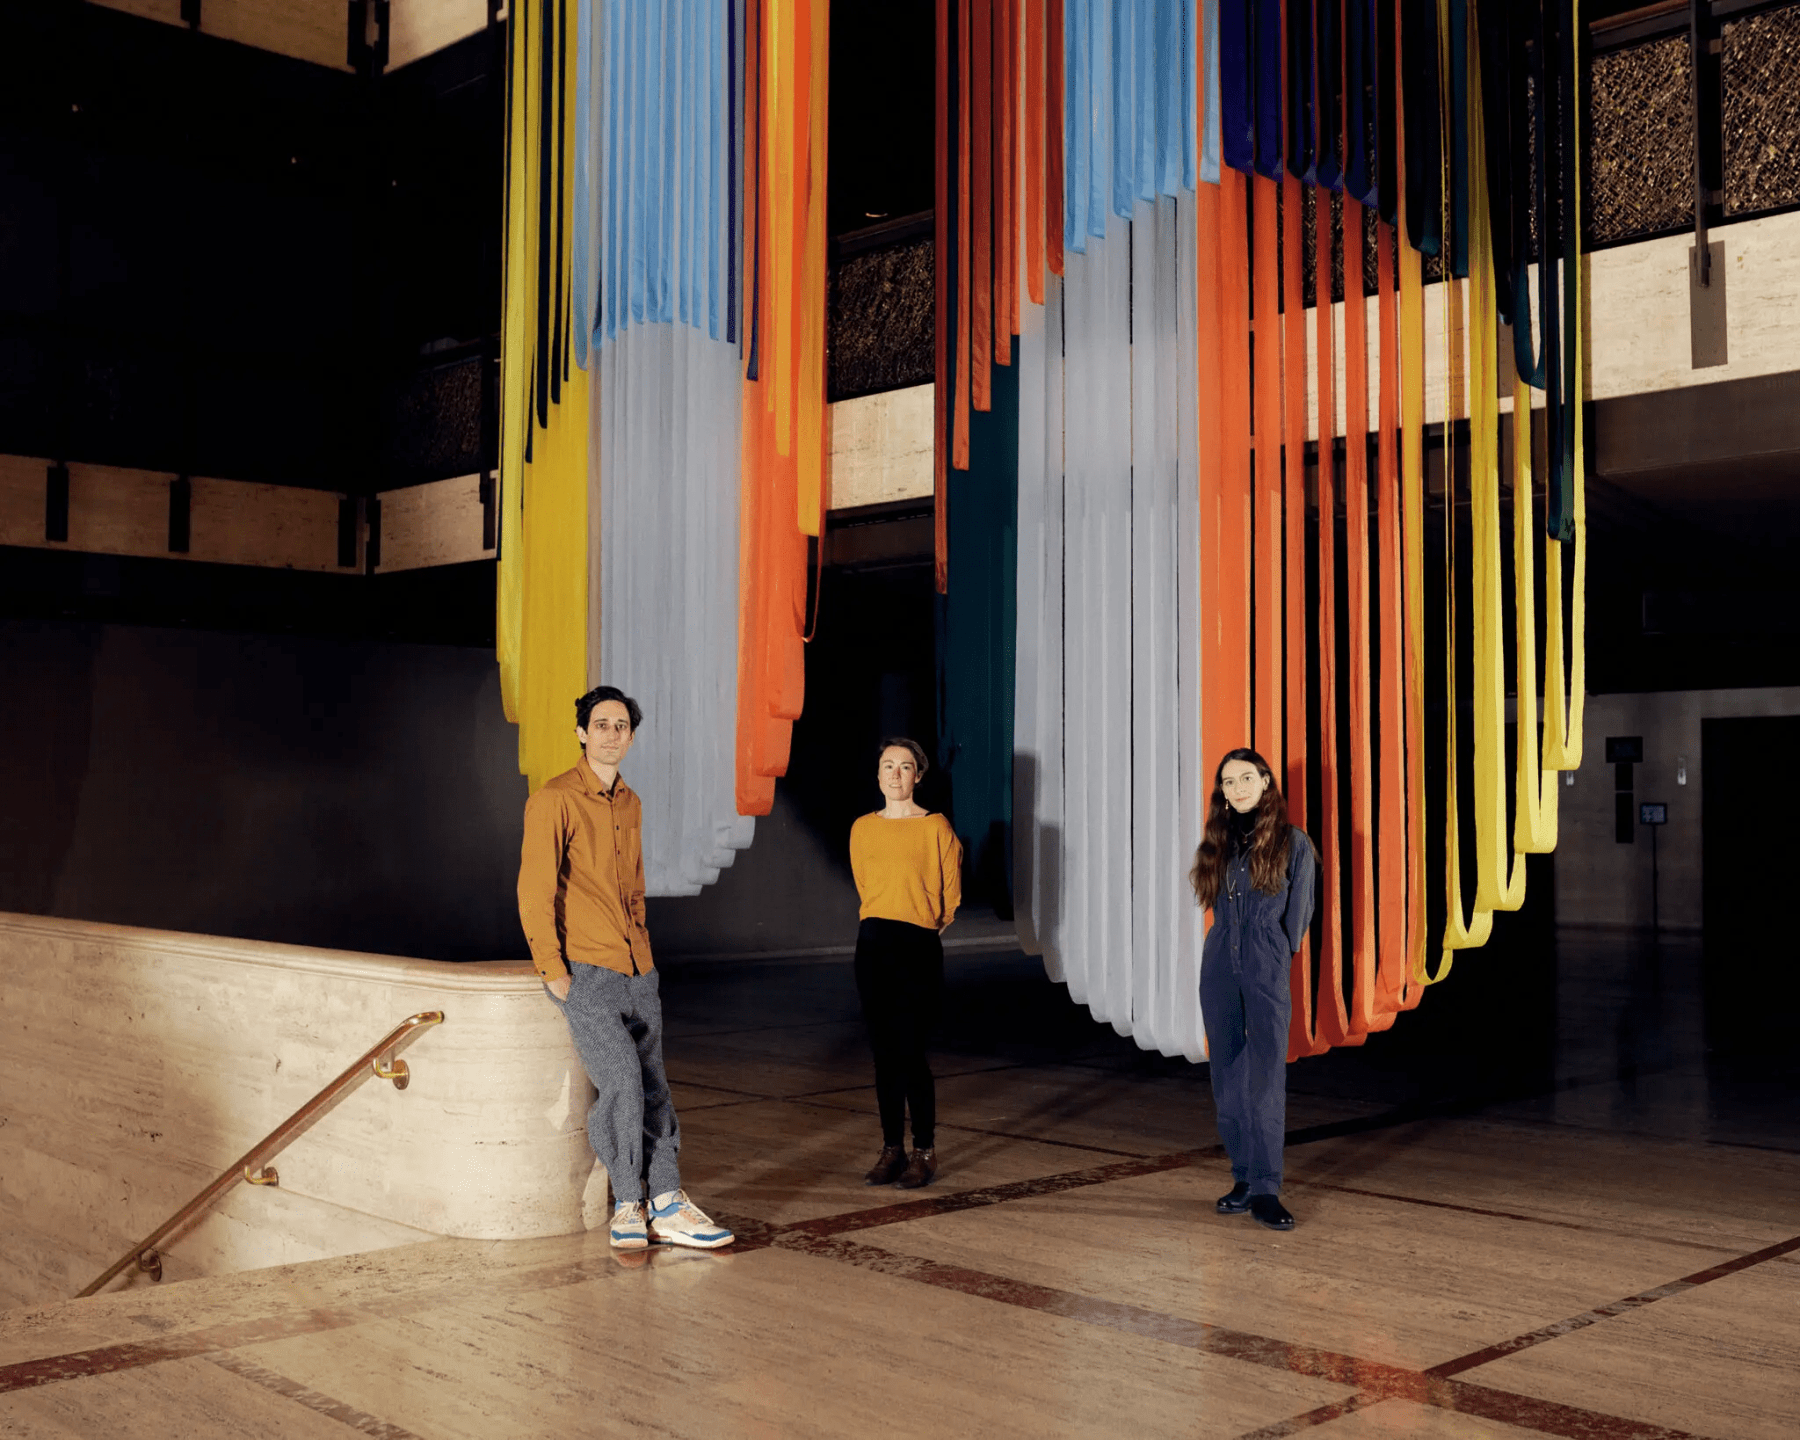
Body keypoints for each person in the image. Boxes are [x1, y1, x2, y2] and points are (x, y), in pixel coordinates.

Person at [517, 684, 733, 1252]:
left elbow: (632, 890)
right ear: (582, 732)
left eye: (622, 726)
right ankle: (627, 1204)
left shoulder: (630, 802)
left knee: (655, 1086)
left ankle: (667, 1202)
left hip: (639, 969)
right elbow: (534, 891)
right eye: (602, 724)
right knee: (622, 1085)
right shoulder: (555, 799)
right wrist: (553, 972)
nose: (613, 734)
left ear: (630, 737)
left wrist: (646, 960)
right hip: (586, 972)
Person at [1191, 748, 1317, 1232]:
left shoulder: (1293, 843)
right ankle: (1241, 1177)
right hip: (1220, 960)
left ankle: (1266, 1188)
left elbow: (1298, 919)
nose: (1238, 787)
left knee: (1266, 1077)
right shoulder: (1217, 842)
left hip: (1265, 963)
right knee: (1227, 1075)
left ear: (1266, 782)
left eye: (1247, 778)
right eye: (1228, 781)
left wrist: (1272, 955)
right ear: (1221, 791)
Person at [848, 737, 963, 1189]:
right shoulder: (862, 828)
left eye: (905, 767)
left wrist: (920, 927)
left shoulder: (935, 827)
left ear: (919, 775)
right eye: (888, 766)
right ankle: (891, 1149)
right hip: (873, 945)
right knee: (883, 1055)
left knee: (911, 1053)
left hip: (916, 946)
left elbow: (949, 896)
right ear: (877, 775)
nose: (896, 774)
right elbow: (866, 885)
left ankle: (925, 1151)